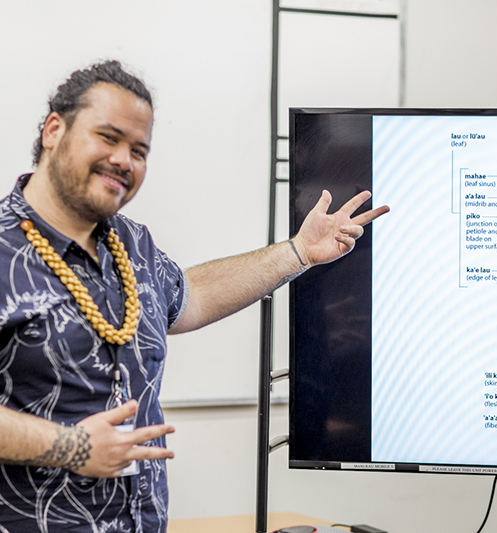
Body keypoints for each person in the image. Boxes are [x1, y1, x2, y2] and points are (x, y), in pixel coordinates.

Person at [0, 60, 389, 533]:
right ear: (54, 131)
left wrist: (298, 252)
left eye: (139, 150)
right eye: (108, 137)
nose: (124, 160)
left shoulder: (131, 243)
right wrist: (70, 447)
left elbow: (193, 295)